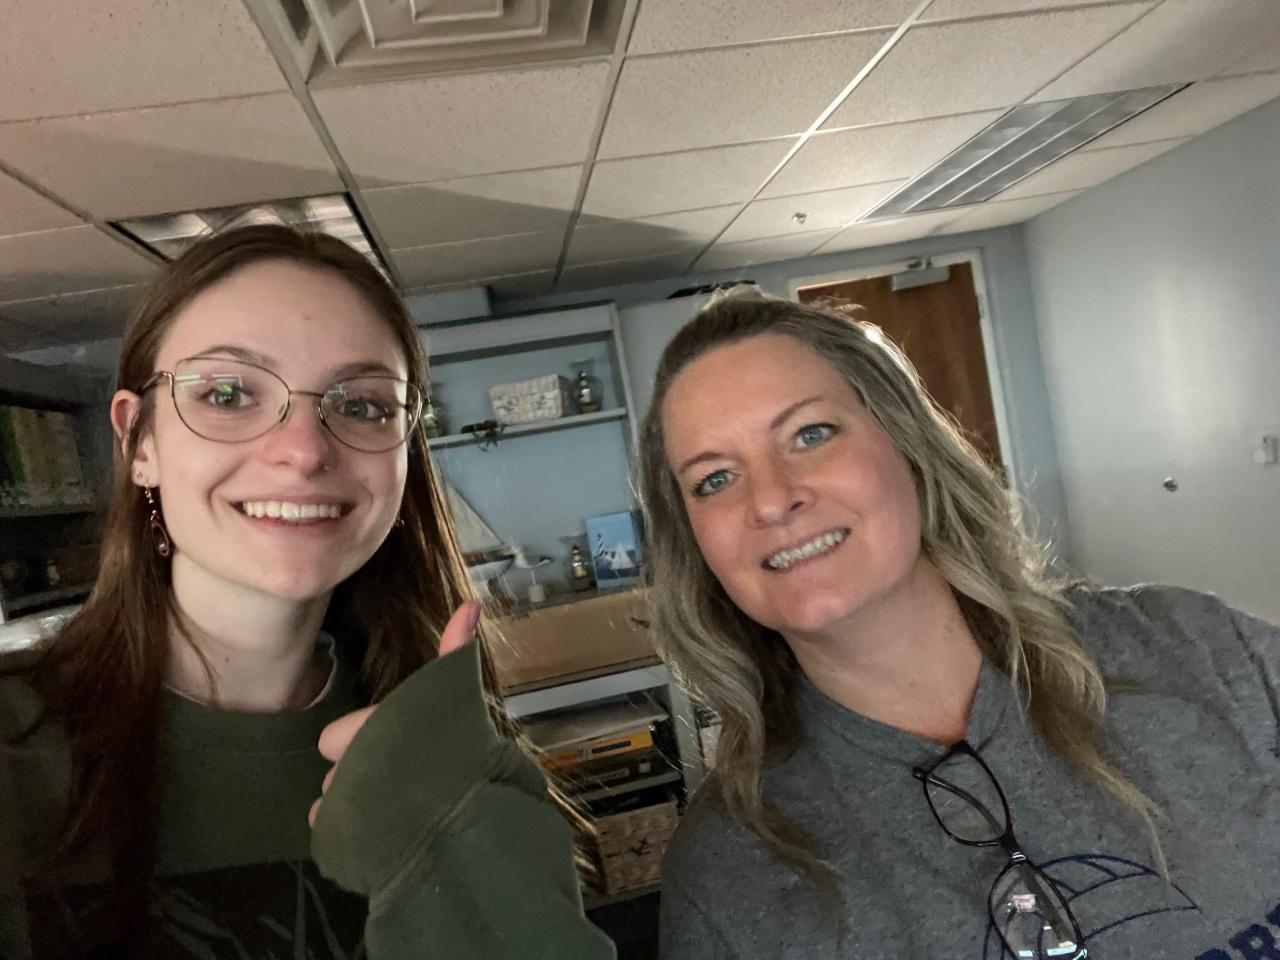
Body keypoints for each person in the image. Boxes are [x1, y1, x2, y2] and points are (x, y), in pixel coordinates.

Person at [0, 225, 616, 960]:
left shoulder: (441, 739)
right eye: (228, 394)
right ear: (140, 442)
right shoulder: (14, 757)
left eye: (362, 406)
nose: (303, 451)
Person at [635, 288, 1280, 960]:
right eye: (715, 479)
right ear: (695, 544)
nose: (771, 500)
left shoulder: (1199, 648)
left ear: (907, 444)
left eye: (811, 434)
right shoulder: (726, 878)